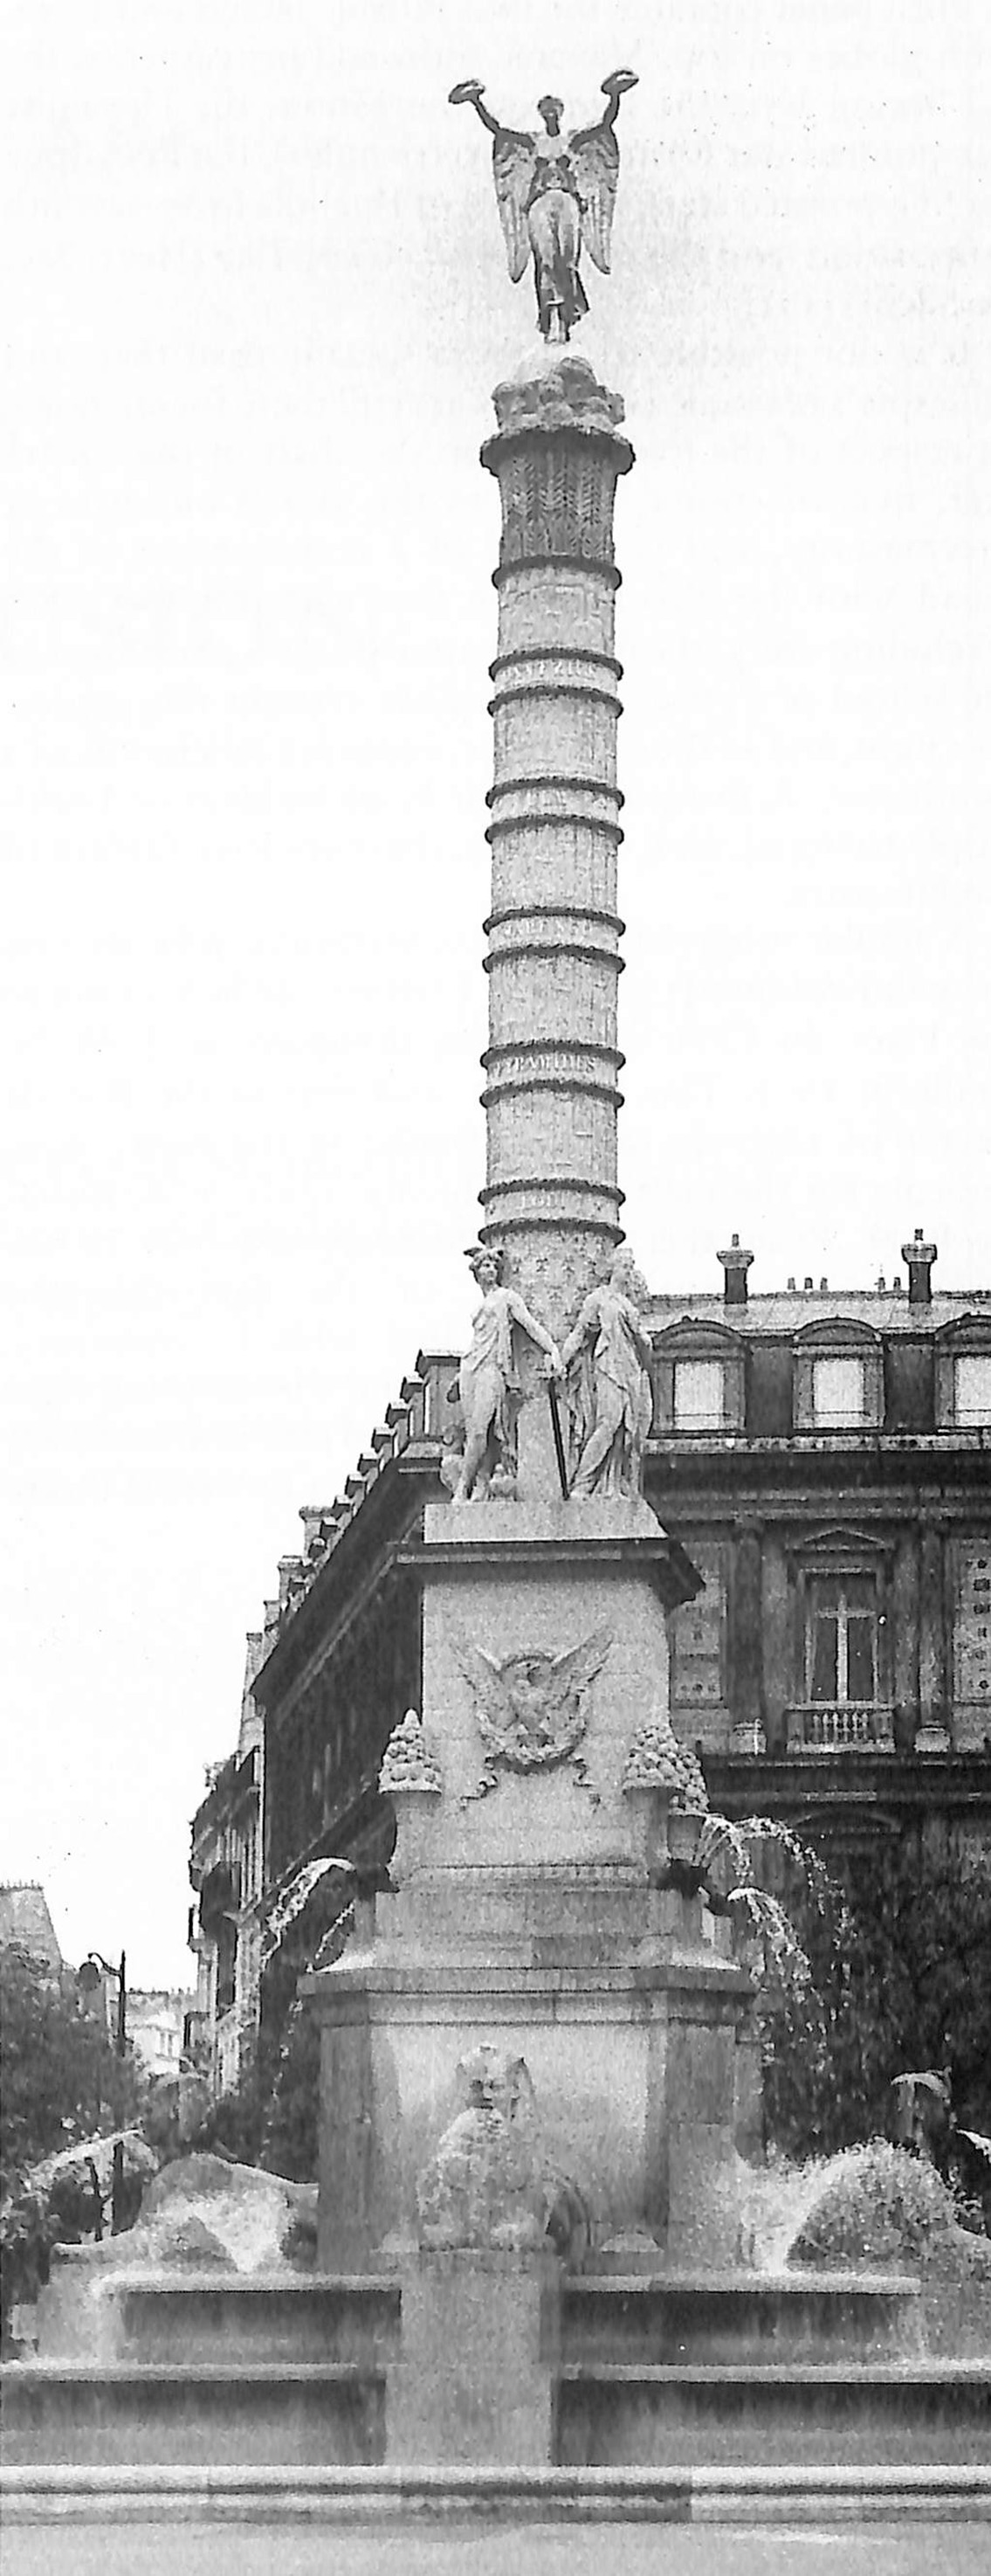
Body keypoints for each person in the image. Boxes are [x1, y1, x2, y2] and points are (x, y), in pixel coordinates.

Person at [453, 1246, 562, 1503]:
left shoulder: (507, 1298)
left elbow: (530, 1325)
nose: (489, 1270)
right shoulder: (482, 1303)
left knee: (480, 1430)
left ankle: (462, 1488)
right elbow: (477, 1340)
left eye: (492, 1265)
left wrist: (553, 1349)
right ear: (477, 1273)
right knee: (478, 1433)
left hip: (493, 1368)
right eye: (484, 1266)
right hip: (471, 1367)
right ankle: (480, 1485)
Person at [561, 1247, 653, 1498]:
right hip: (608, 1366)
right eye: (625, 1265)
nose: (629, 1270)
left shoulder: (628, 1305)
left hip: (630, 1370)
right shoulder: (599, 1298)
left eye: (631, 1266)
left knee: (625, 1430)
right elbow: (579, 1333)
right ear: (612, 1267)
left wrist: (645, 1342)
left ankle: (613, 1484)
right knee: (608, 1424)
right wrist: (561, 1361)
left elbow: (645, 1352)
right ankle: (582, 1484)